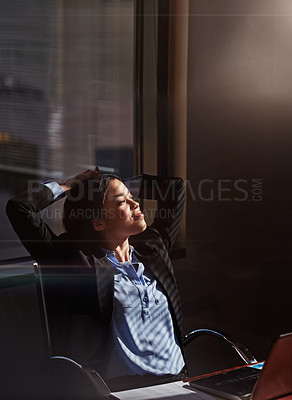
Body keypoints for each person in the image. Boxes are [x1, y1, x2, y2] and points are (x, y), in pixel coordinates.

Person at [6, 167, 187, 390]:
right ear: (98, 223)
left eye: (132, 197)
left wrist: (115, 183)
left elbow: (175, 189)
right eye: (122, 202)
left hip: (178, 381)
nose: (135, 204)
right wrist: (71, 186)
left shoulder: (154, 246)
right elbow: (20, 208)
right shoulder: (76, 261)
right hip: (123, 390)